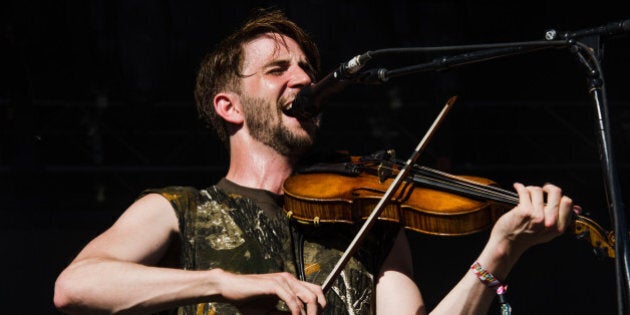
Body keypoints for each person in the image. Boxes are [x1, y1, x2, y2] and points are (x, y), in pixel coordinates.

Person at [54, 9, 577, 315]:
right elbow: (76, 285)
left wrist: (500, 251)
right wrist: (221, 280)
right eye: (277, 69)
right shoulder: (181, 209)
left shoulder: (373, 224)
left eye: (306, 68)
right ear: (229, 106)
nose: (303, 79)